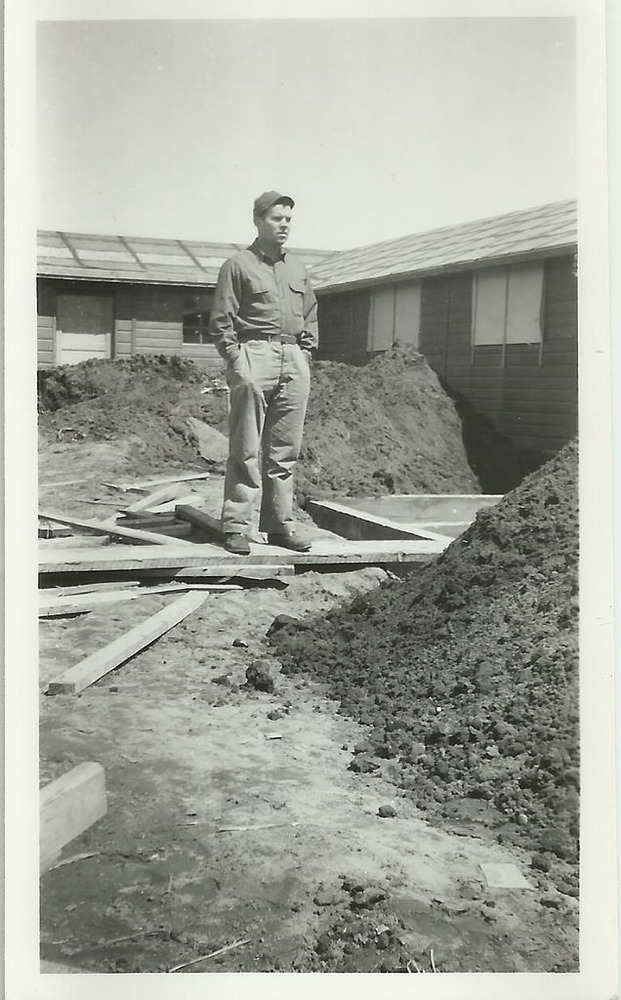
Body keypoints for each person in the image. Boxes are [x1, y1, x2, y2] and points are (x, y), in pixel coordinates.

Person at [208, 190, 318, 555]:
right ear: (258, 221)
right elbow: (221, 321)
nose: (284, 225)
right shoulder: (237, 265)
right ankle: (236, 525)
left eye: (288, 219)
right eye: (276, 218)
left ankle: (280, 526)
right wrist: (238, 363)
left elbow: (311, 315)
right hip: (254, 353)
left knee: (285, 451)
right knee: (245, 447)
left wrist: (305, 353)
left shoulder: (298, 268)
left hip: (293, 356)